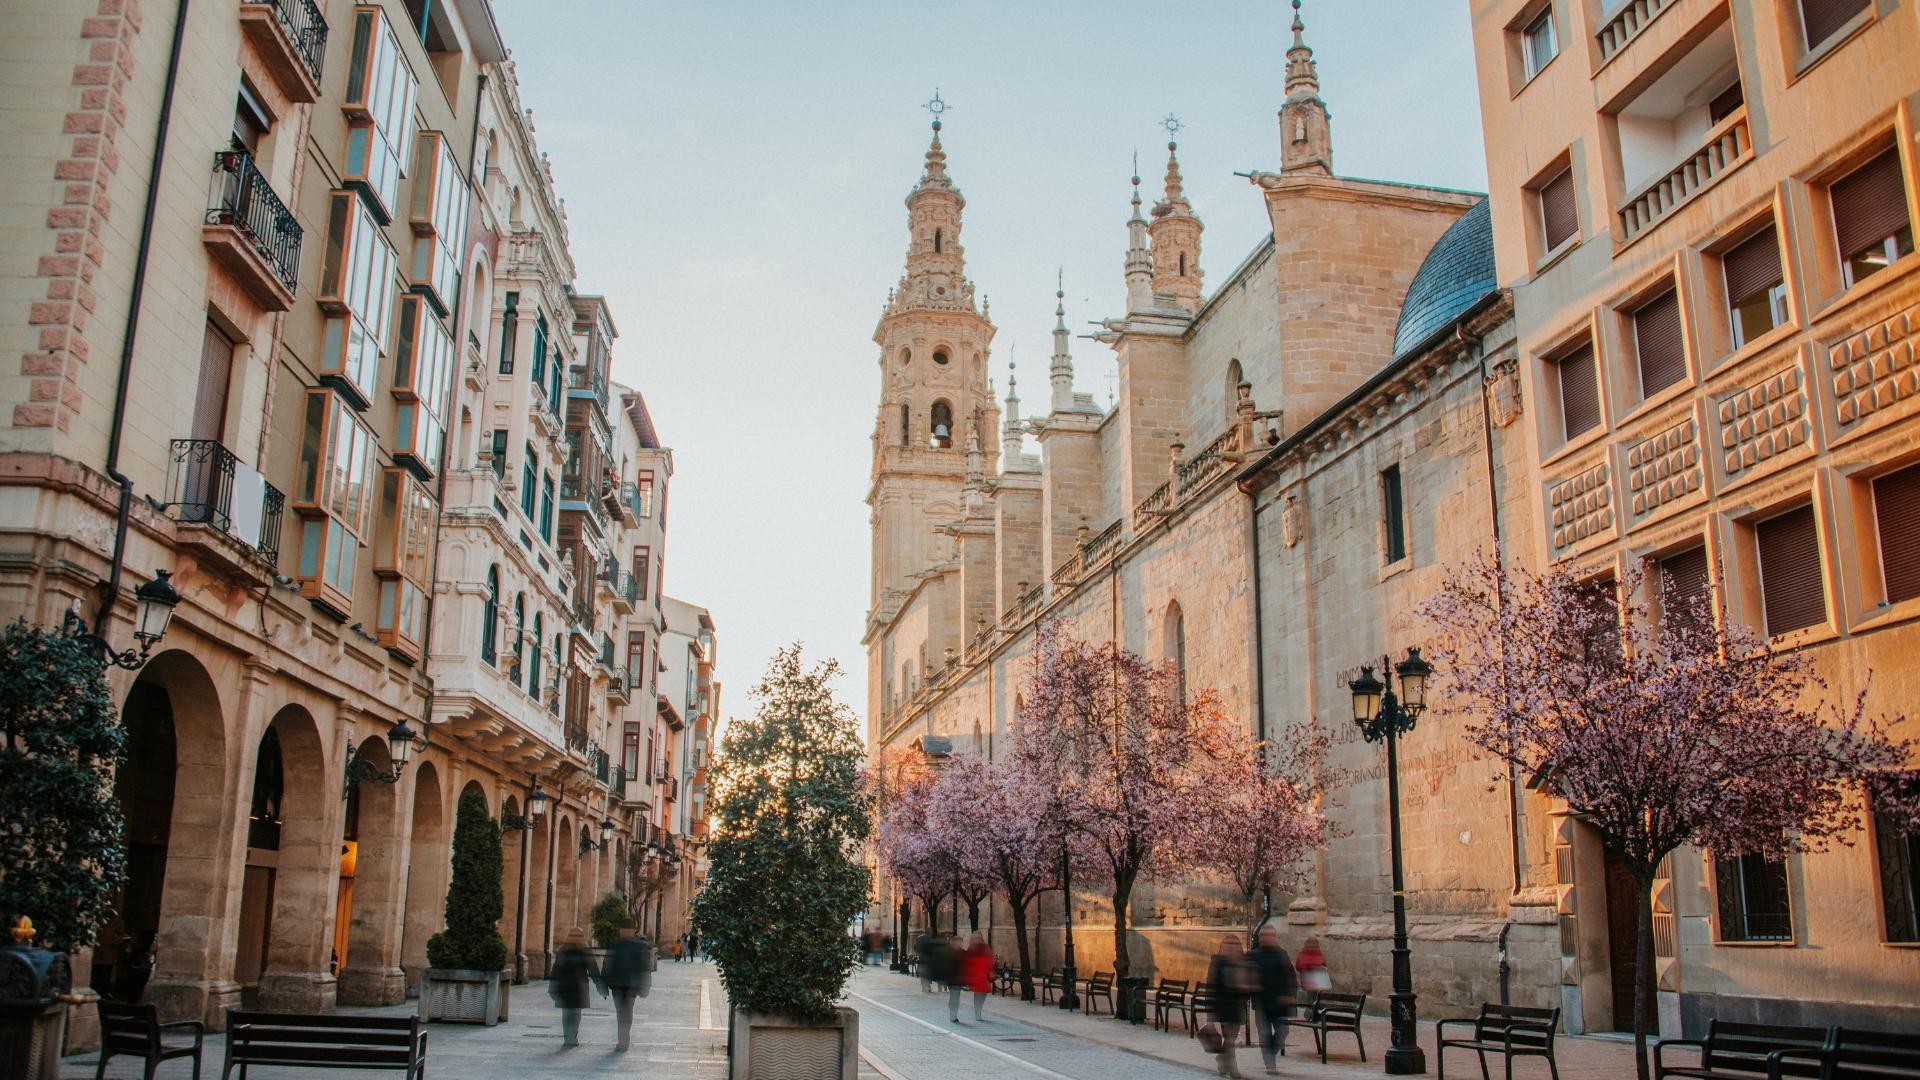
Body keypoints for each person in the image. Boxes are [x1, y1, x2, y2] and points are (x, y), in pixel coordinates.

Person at [1247, 926, 1298, 1075]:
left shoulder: (1281, 954)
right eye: (1265, 935)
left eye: (1271, 935)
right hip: (1262, 1003)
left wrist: (1290, 995)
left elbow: (1290, 976)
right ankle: (1271, 1065)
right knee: (1265, 1034)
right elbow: (1245, 974)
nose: (1268, 938)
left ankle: (1270, 1053)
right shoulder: (1253, 955)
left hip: (1280, 1003)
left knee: (1283, 1030)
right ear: (1261, 937)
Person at [602, 922, 655, 1052]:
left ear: (633, 931)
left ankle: (624, 1038)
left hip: (631, 986)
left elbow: (645, 967)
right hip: (617, 985)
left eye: (627, 929)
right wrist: (603, 984)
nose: (624, 932)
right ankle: (623, 1038)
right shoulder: (615, 944)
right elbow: (607, 964)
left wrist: (645, 986)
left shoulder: (640, 946)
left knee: (627, 1011)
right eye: (623, 929)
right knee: (621, 1012)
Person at [1206, 935, 1253, 1078]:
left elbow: (1249, 987)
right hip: (1223, 1007)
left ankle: (1222, 1059)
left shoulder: (1243, 963)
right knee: (1230, 1039)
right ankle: (1234, 1070)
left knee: (1229, 1039)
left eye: (1234, 944)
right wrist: (1210, 1017)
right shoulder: (1217, 963)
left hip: (1237, 1007)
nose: (1232, 947)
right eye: (1228, 944)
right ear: (1222, 947)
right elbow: (1211, 989)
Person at [548, 928, 600, 1048]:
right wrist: (600, 986)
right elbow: (593, 970)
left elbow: (555, 970)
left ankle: (569, 1037)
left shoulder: (565, 950)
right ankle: (571, 1037)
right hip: (576, 987)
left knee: (569, 1013)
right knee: (574, 1013)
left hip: (569, 987)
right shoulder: (581, 951)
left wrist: (552, 987)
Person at [930, 934, 965, 1022]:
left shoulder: (963, 952)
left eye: (960, 943)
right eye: (957, 942)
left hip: (958, 978)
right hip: (952, 978)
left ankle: (952, 1011)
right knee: (955, 996)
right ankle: (953, 1016)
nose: (959, 944)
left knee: (955, 996)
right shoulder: (948, 952)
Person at [961, 934, 994, 1022]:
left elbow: (990, 959)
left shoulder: (985, 948)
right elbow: (966, 963)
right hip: (975, 974)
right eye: (975, 938)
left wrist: (990, 969)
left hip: (983, 973)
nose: (977, 939)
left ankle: (979, 1008)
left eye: (978, 937)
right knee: (978, 993)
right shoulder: (971, 949)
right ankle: (977, 1011)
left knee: (984, 993)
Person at [916, 928, 936, 993]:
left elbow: (915, 947)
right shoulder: (931, 939)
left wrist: (918, 953)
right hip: (929, 959)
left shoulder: (919, 938)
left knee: (923, 973)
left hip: (921, 958)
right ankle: (928, 987)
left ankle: (923, 987)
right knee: (928, 973)